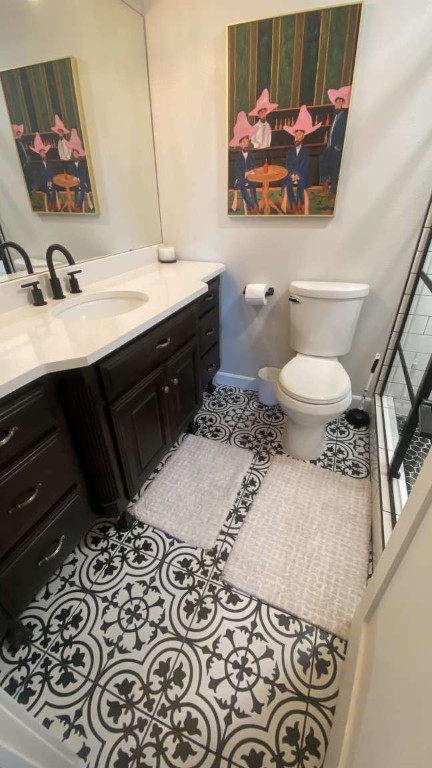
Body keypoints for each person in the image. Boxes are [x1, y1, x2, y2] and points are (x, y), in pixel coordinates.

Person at [281, 105, 321, 214]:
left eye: (300, 135)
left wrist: (298, 175)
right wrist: (293, 174)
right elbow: (288, 165)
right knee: (288, 184)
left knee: (301, 182)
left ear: (303, 137)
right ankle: (293, 203)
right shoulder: (290, 152)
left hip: (302, 174)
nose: (298, 137)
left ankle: (299, 201)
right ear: (294, 136)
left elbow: (305, 166)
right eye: (296, 135)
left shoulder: (306, 151)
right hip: (292, 174)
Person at [319, 85, 351, 196]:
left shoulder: (344, 116)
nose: (337, 103)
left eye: (340, 102)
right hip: (330, 146)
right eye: (336, 101)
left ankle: (333, 190)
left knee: (335, 168)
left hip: (336, 147)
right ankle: (325, 182)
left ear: (342, 103)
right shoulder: (335, 116)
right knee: (323, 160)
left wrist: (339, 146)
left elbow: (344, 133)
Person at [229, 111, 259, 214]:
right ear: (240, 145)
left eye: (247, 141)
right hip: (241, 178)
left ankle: (256, 204)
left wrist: (251, 172)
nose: (246, 144)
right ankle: (251, 205)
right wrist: (245, 173)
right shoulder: (238, 157)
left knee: (253, 185)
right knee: (242, 185)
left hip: (250, 177)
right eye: (244, 142)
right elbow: (237, 172)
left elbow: (254, 167)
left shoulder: (251, 156)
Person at [29, 132, 58, 211]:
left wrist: (51, 181)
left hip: (50, 182)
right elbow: (40, 177)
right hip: (43, 184)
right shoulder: (38, 166)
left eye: (44, 152)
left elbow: (52, 174)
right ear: (39, 154)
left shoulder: (49, 164)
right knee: (48, 190)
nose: (43, 154)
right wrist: (46, 183)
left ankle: (54, 205)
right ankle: (49, 205)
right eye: (41, 153)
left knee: (54, 189)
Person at [66, 129, 93, 212]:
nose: (75, 155)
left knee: (82, 188)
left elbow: (84, 175)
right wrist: (74, 179)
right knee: (76, 189)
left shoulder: (83, 164)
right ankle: (76, 205)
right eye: (74, 154)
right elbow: (71, 175)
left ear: (79, 154)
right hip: (75, 183)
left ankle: (79, 206)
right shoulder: (71, 165)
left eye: (76, 154)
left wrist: (80, 179)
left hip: (83, 182)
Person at [12, 124, 32, 194]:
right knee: (25, 180)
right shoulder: (15, 143)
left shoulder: (21, 142)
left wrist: (27, 158)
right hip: (23, 165)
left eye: (20, 133)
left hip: (26, 164)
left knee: (29, 179)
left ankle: (30, 192)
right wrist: (23, 163)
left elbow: (24, 152)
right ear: (16, 134)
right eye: (18, 133)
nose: (20, 134)